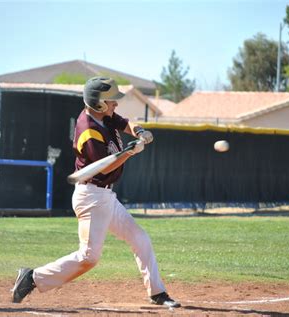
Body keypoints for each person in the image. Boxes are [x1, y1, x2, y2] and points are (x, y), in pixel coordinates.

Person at [12, 77, 180, 308]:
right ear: (98, 103)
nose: (115, 105)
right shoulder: (88, 131)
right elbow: (105, 165)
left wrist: (139, 131)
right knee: (89, 257)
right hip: (91, 197)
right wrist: (130, 152)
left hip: (106, 197)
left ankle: (157, 293)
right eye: (112, 101)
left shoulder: (104, 117)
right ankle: (31, 278)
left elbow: (124, 123)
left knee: (140, 239)